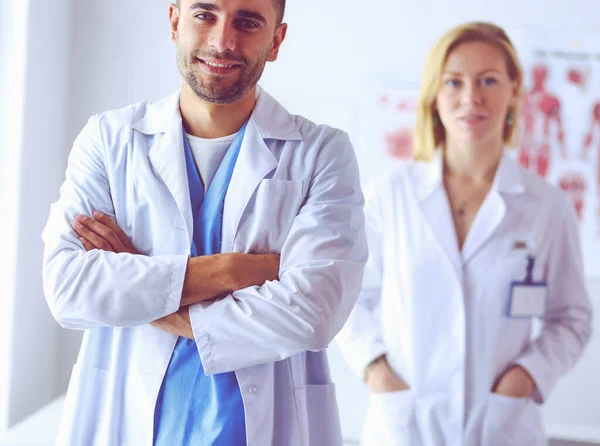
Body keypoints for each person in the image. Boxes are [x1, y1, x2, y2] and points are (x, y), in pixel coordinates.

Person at [41, 0, 367, 445]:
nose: (223, 41)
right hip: (127, 423)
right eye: (204, 14)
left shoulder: (321, 153)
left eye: (248, 22)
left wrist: (138, 289)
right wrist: (237, 271)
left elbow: (313, 313)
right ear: (174, 21)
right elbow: (69, 289)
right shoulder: (110, 139)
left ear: (276, 40)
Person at [336, 21, 592, 446]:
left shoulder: (547, 206)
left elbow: (572, 319)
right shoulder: (389, 196)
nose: (471, 97)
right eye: (454, 82)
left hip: (504, 426)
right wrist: (377, 373)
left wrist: (525, 377)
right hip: (403, 425)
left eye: (488, 80)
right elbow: (345, 299)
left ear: (514, 90)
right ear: (435, 95)